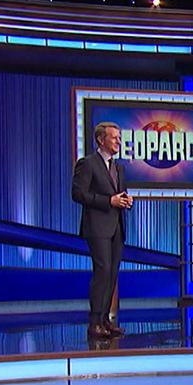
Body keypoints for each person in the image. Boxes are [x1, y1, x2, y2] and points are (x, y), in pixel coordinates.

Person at [72, 121, 133, 339]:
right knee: (103, 271)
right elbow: (78, 194)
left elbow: (120, 193)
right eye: (114, 137)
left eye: (119, 137)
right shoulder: (87, 164)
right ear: (101, 140)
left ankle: (106, 321)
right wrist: (109, 201)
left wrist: (125, 200)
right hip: (97, 227)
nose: (118, 141)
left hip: (117, 226)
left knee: (112, 273)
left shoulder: (119, 167)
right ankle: (94, 322)